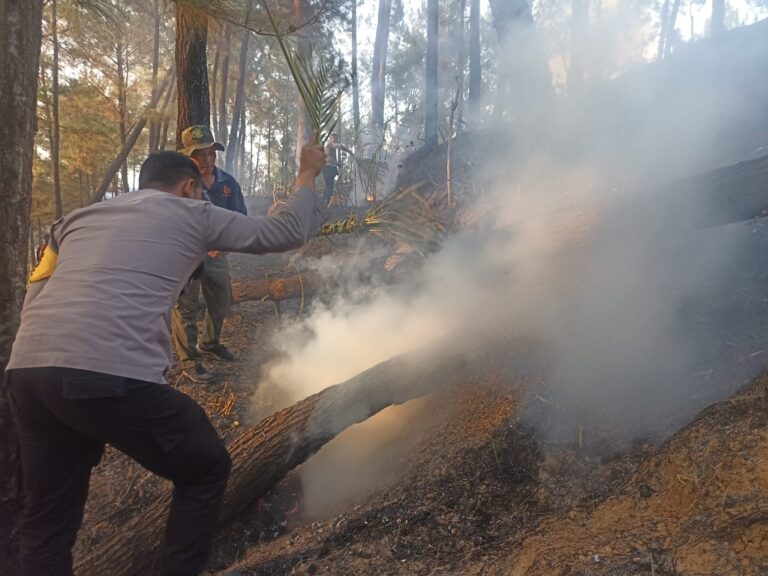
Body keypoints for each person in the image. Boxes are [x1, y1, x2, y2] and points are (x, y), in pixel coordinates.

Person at [5, 142, 327, 576]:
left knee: (44, 521)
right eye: (199, 193)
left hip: (28, 373)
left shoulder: (78, 219)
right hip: (107, 372)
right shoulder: (192, 211)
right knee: (206, 467)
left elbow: (38, 289)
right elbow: (283, 232)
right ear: (188, 186)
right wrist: (306, 174)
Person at [172, 125, 247, 383]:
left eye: (210, 154)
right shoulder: (177, 187)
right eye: (199, 155)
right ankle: (190, 361)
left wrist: (226, 244)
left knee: (221, 299)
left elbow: (240, 218)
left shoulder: (227, 184)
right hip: (187, 258)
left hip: (217, 256)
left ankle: (210, 343)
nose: (206, 161)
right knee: (186, 308)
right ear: (187, 157)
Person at [322, 133, 351, 207]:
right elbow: (330, 157)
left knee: (329, 186)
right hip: (328, 168)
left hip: (331, 168)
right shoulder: (329, 145)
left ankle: (324, 202)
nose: (335, 140)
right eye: (333, 138)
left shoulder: (331, 147)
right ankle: (325, 203)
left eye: (336, 139)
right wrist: (349, 151)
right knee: (329, 186)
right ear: (330, 139)